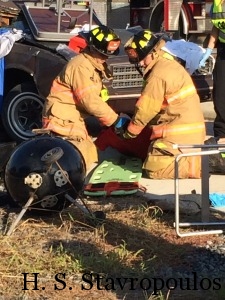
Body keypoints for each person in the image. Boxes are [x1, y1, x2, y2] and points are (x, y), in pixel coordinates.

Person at [113, 30, 206, 179]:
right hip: (185, 130)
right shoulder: (166, 65)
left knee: (154, 171)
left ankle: (204, 163)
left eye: (143, 59)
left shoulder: (158, 75)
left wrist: (128, 132)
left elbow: (146, 109)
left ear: (153, 52)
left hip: (179, 134)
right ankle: (203, 156)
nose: (141, 64)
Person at [41, 25, 126, 170]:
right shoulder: (81, 66)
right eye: (103, 55)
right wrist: (114, 120)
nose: (105, 58)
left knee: (87, 152)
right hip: (62, 119)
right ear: (93, 49)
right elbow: (89, 100)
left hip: (71, 117)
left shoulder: (92, 65)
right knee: (74, 157)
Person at [199, 0, 225, 140]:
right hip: (223, 49)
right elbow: (216, 27)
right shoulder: (217, 3)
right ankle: (221, 137)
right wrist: (209, 49)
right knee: (220, 94)